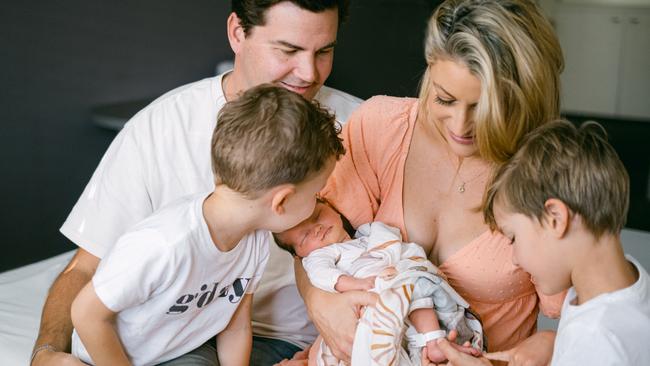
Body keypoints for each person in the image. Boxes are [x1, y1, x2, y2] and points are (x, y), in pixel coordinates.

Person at [31, 1, 364, 365]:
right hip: (178, 339)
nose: (307, 73)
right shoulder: (161, 128)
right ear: (238, 32)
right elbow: (86, 270)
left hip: (292, 341)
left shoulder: (360, 127)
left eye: (324, 51)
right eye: (288, 50)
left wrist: (321, 302)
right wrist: (46, 353)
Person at [298, 0, 566, 364]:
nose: (459, 126)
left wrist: (544, 348)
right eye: (445, 99)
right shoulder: (380, 127)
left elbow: (589, 315)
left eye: (485, 108)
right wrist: (320, 302)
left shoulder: (549, 179)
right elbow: (311, 239)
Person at [68, 84, 344, 365]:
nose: (318, 201)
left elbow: (235, 326)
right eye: (316, 193)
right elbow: (85, 313)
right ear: (281, 201)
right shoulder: (165, 243)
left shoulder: (256, 239)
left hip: (181, 350)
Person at [437, 120, 650, 365]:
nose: (515, 257)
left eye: (513, 237)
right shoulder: (628, 286)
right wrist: (554, 346)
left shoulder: (597, 338)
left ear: (555, 218)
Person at [275, 201, 483, 364]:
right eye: (304, 237)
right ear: (299, 255)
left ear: (334, 210)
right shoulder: (321, 256)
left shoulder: (369, 233)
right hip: (369, 298)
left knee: (418, 289)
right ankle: (431, 342)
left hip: (396, 283)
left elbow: (396, 244)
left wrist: (403, 264)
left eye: (317, 216)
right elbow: (322, 274)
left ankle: (434, 341)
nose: (316, 229)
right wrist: (354, 284)